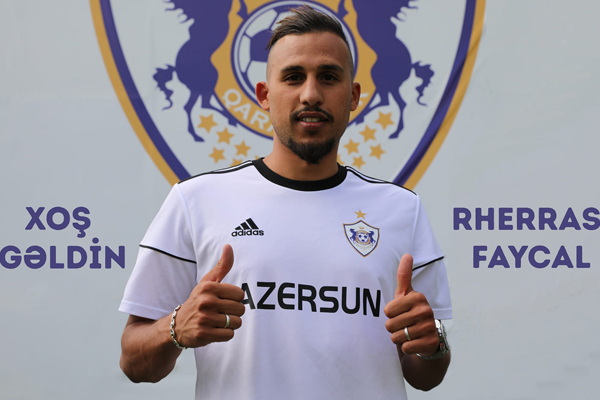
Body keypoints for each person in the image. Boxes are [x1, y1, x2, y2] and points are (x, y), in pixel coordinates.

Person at [119, 5, 452, 399]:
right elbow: (134, 362)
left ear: (353, 96)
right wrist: (176, 326)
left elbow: (426, 375)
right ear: (264, 95)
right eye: (293, 77)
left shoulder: (402, 210)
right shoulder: (195, 201)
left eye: (328, 77)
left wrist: (432, 345)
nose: (311, 94)